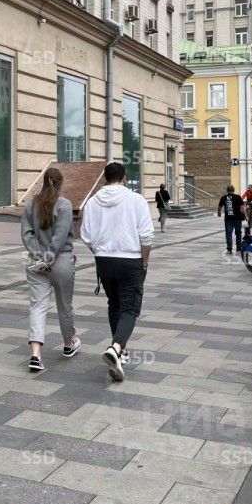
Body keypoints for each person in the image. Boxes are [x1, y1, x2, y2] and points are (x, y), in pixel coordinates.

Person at [80, 162, 154, 383]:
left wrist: (100, 251)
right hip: (131, 260)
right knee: (130, 308)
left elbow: (86, 236)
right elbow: (146, 235)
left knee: (114, 304)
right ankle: (116, 347)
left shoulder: (92, 202)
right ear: (124, 178)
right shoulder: (136, 200)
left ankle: (119, 352)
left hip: (104, 260)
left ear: (105, 179)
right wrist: (145, 262)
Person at [21, 167, 79, 373]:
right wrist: (49, 256)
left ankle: (35, 354)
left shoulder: (30, 205)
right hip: (60, 261)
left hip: (35, 263)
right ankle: (69, 343)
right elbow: (61, 236)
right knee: (65, 306)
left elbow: (27, 234)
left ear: (43, 182)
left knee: (37, 307)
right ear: (60, 183)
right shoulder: (64, 205)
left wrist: (38, 255)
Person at [217, 185, 245, 254]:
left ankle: (229, 249)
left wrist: (219, 213)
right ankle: (238, 248)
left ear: (227, 190)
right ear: (233, 190)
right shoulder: (238, 197)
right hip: (237, 218)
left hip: (228, 218)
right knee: (238, 233)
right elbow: (242, 208)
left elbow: (220, 206)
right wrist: (245, 215)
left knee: (228, 233)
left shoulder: (224, 197)